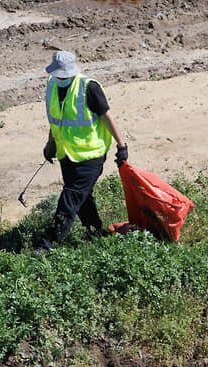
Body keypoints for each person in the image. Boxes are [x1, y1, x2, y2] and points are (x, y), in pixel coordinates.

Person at [36, 50, 128, 254]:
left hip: (91, 155)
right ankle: (95, 232)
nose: (60, 78)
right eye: (57, 74)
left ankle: (46, 244)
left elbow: (107, 117)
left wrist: (122, 146)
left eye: (63, 75)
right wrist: (50, 144)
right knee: (83, 197)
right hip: (66, 154)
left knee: (69, 199)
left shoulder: (89, 88)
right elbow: (56, 119)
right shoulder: (52, 85)